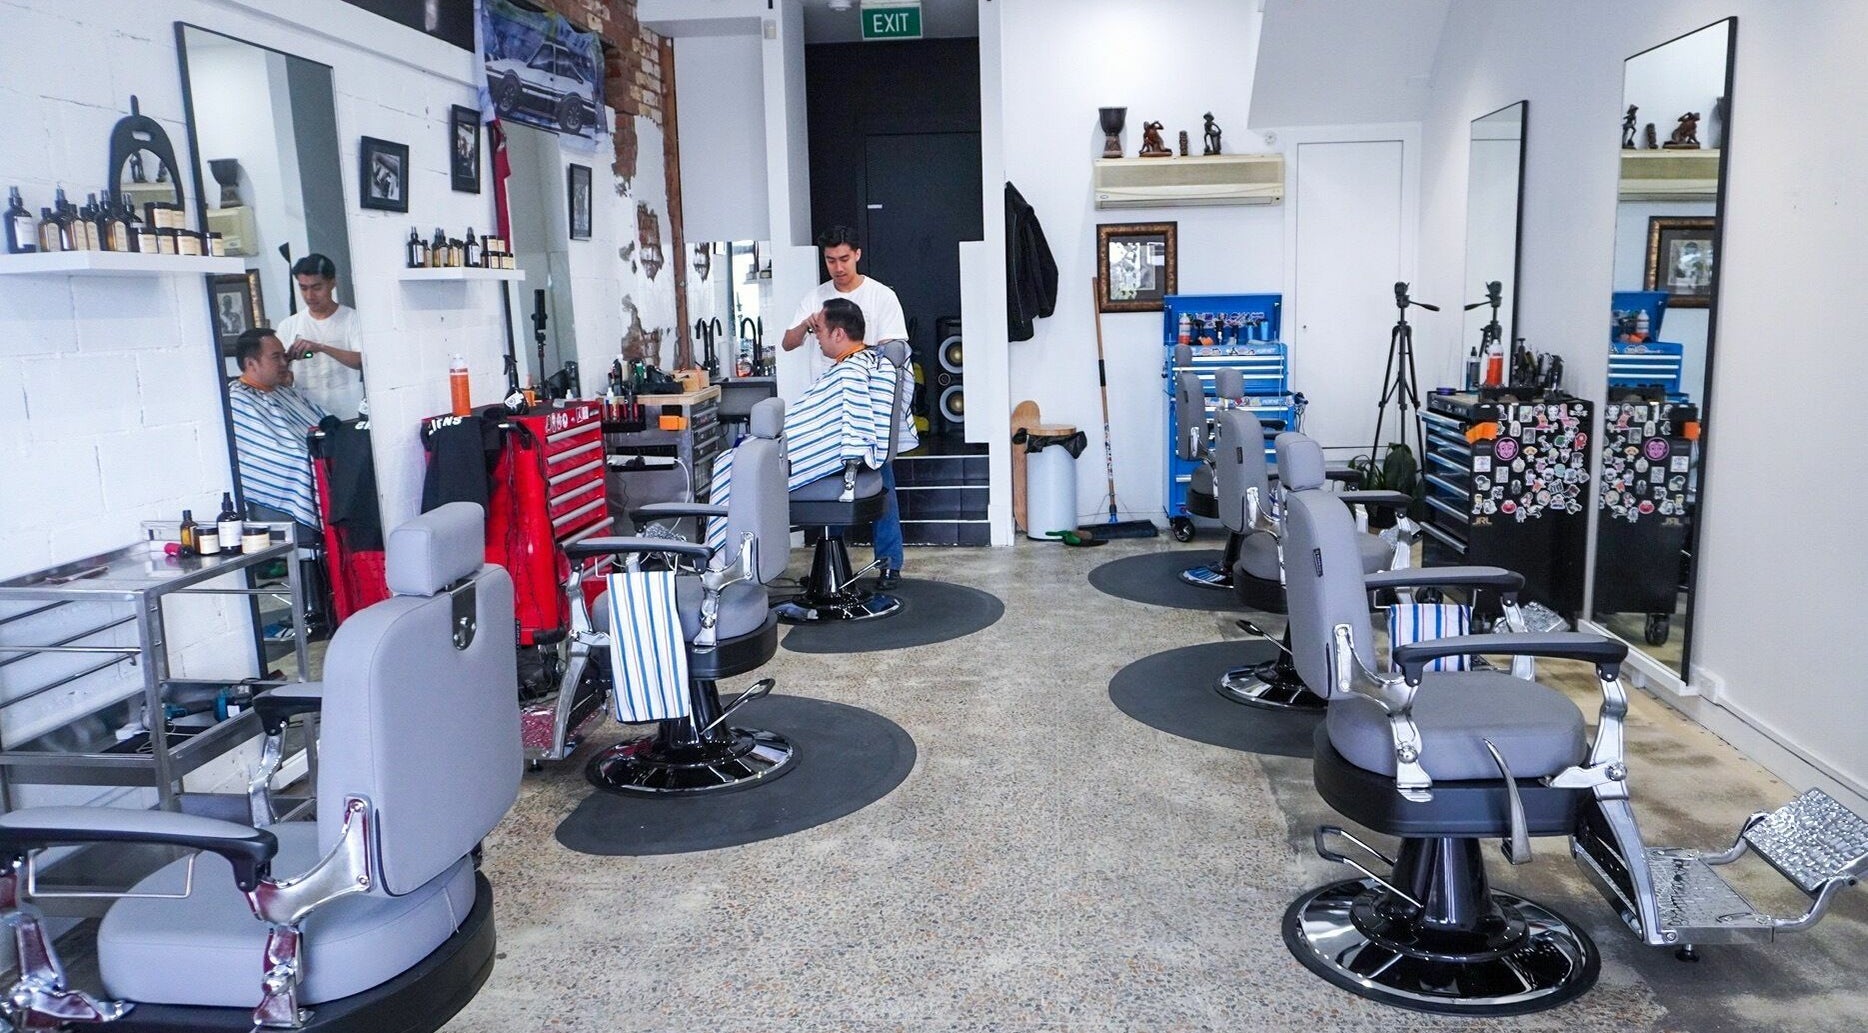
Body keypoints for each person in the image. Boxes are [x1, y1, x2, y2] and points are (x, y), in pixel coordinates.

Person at [708, 299, 897, 554]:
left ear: (838, 333)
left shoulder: (851, 373)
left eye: (818, 330)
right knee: (738, 459)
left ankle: (722, 558)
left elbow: (856, 428)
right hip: (836, 458)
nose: (816, 337)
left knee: (731, 465)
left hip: (835, 461)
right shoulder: (867, 362)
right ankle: (736, 555)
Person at [780, 226, 913, 588]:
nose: (837, 267)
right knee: (830, 487)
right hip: (829, 410)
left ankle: (889, 563)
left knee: (880, 483)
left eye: (843, 258)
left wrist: (851, 348)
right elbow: (788, 342)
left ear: (856, 254)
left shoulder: (881, 296)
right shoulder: (816, 297)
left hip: (866, 407)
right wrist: (808, 325)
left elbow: (893, 354)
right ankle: (831, 566)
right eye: (830, 260)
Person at [227, 328, 328, 535]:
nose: (284, 363)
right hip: (282, 493)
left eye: (284, 356)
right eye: (276, 357)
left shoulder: (286, 393)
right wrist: (311, 460)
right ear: (250, 364)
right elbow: (265, 454)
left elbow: (327, 424)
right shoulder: (237, 400)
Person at [273, 254, 364, 418]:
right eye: (303, 288)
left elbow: (361, 361)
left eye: (316, 288)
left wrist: (321, 348)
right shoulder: (288, 325)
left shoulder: (353, 319)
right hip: (307, 415)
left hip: (348, 414)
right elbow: (281, 368)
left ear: (332, 283)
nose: (309, 296)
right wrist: (285, 373)